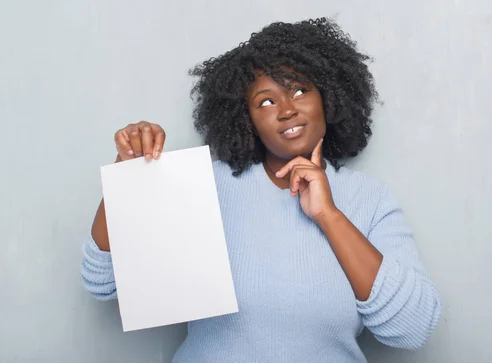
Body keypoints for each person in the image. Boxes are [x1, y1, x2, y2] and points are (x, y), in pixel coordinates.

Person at [81, 17, 441, 363]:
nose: (286, 110)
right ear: (246, 119)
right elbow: (102, 282)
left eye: (300, 90)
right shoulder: (205, 184)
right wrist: (128, 175)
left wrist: (329, 216)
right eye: (266, 101)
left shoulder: (370, 199)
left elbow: (412, 328)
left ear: (328, 99)